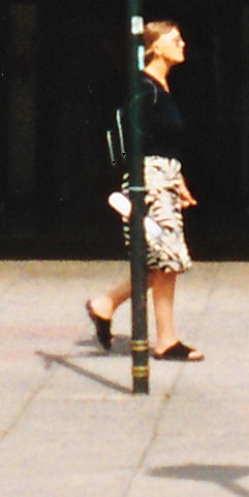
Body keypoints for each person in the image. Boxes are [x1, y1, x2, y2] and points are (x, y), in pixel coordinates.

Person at [86, 19, 202, 361]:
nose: (182, 44)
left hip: (162, 178)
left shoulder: (159, 89)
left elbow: (162, 141)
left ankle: (112, 307)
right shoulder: (146, 90)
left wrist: (178, 181)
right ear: (155, 47)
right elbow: (128, 140)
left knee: (163, 259)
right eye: (175, 39)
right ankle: (157, 334)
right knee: (166, 256)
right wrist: (131, 180)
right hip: (148, 181)